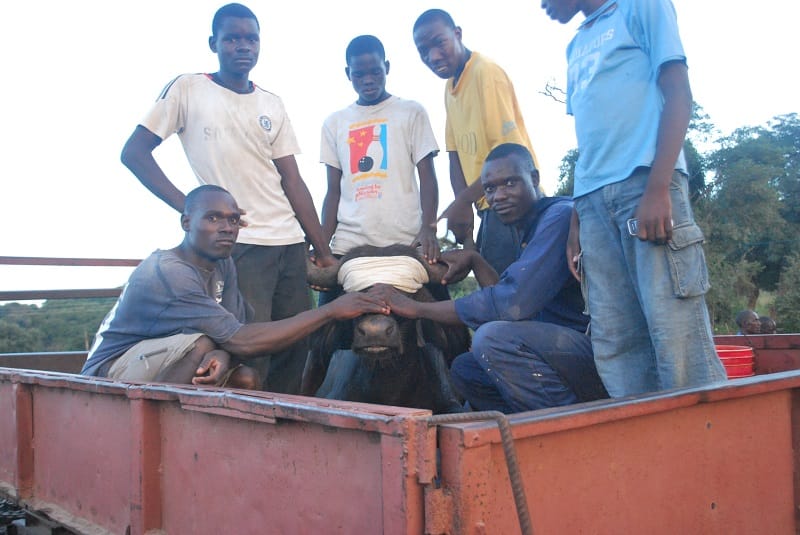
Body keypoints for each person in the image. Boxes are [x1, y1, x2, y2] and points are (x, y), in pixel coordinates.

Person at [119, 3, 336, 394]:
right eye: (232, 38)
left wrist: (322, 249)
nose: (243, 46)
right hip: (239, 244)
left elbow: (292, 180)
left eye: (251, 38)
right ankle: (251, 428)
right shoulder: (188, 89)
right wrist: (191, 207)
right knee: (248, 349)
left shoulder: (271, 102)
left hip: (288, 242)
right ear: (213, 43)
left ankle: (287, 424)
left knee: (295, 346)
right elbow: (134, 153)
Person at [541, 0, 727, 396]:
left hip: (645, 185)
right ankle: (642, 431)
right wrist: (577, 216)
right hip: (593, 204)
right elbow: (590, 140)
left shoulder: (640, 6)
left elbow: (678, 92)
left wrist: (659, 187)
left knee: (674, 328)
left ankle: (703, 431)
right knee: (616, 337)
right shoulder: (576, 44)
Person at [371, 144, 607, 413]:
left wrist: (416, 309)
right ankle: (522, 424)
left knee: (492, 339)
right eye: (490, 188)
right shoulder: (527, 229)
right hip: (560, 353)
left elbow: (511, 305)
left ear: (534, 179)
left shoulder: (558, 217)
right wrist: (476, 260)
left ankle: (566, 423)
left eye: (510, 183)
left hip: (593, 351)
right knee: (466, 369)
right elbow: (508, 302)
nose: (499, 196)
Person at [81, 185, 388, 387]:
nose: (226, 228)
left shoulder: (222, 262)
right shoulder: (169, 273)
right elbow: (241, 341)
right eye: (213, 218)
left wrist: (225, 355)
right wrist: (331, 311)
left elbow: (236, 333)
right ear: (186, 223)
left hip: (165, 361)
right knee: (203, 345)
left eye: (233, 220)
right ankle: (154, 431)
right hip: (109, 376)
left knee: (245, 377)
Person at [412, 9, 539, 275]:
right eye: (423, 51)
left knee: (512, 290)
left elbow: (511, 161)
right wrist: (465, 213)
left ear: (457, 34)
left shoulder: (485, 73)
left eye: (439, 43)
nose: (433, 56)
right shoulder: (450, 88)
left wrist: (459, 204)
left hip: (514, 206)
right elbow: (454, 155)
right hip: (488, 208)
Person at [317, 34, 440, 304]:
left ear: (387, 67)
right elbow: (333, 191)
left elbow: (428, 177)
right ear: (348, 74)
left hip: (406, 242)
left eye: (375, 71)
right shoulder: (334, 123)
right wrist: (322, 245)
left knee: (442, 319)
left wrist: (428, 227)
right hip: (349, 245)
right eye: (359, 74)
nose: (368, 80)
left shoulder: (411, 112)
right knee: (325, 321)